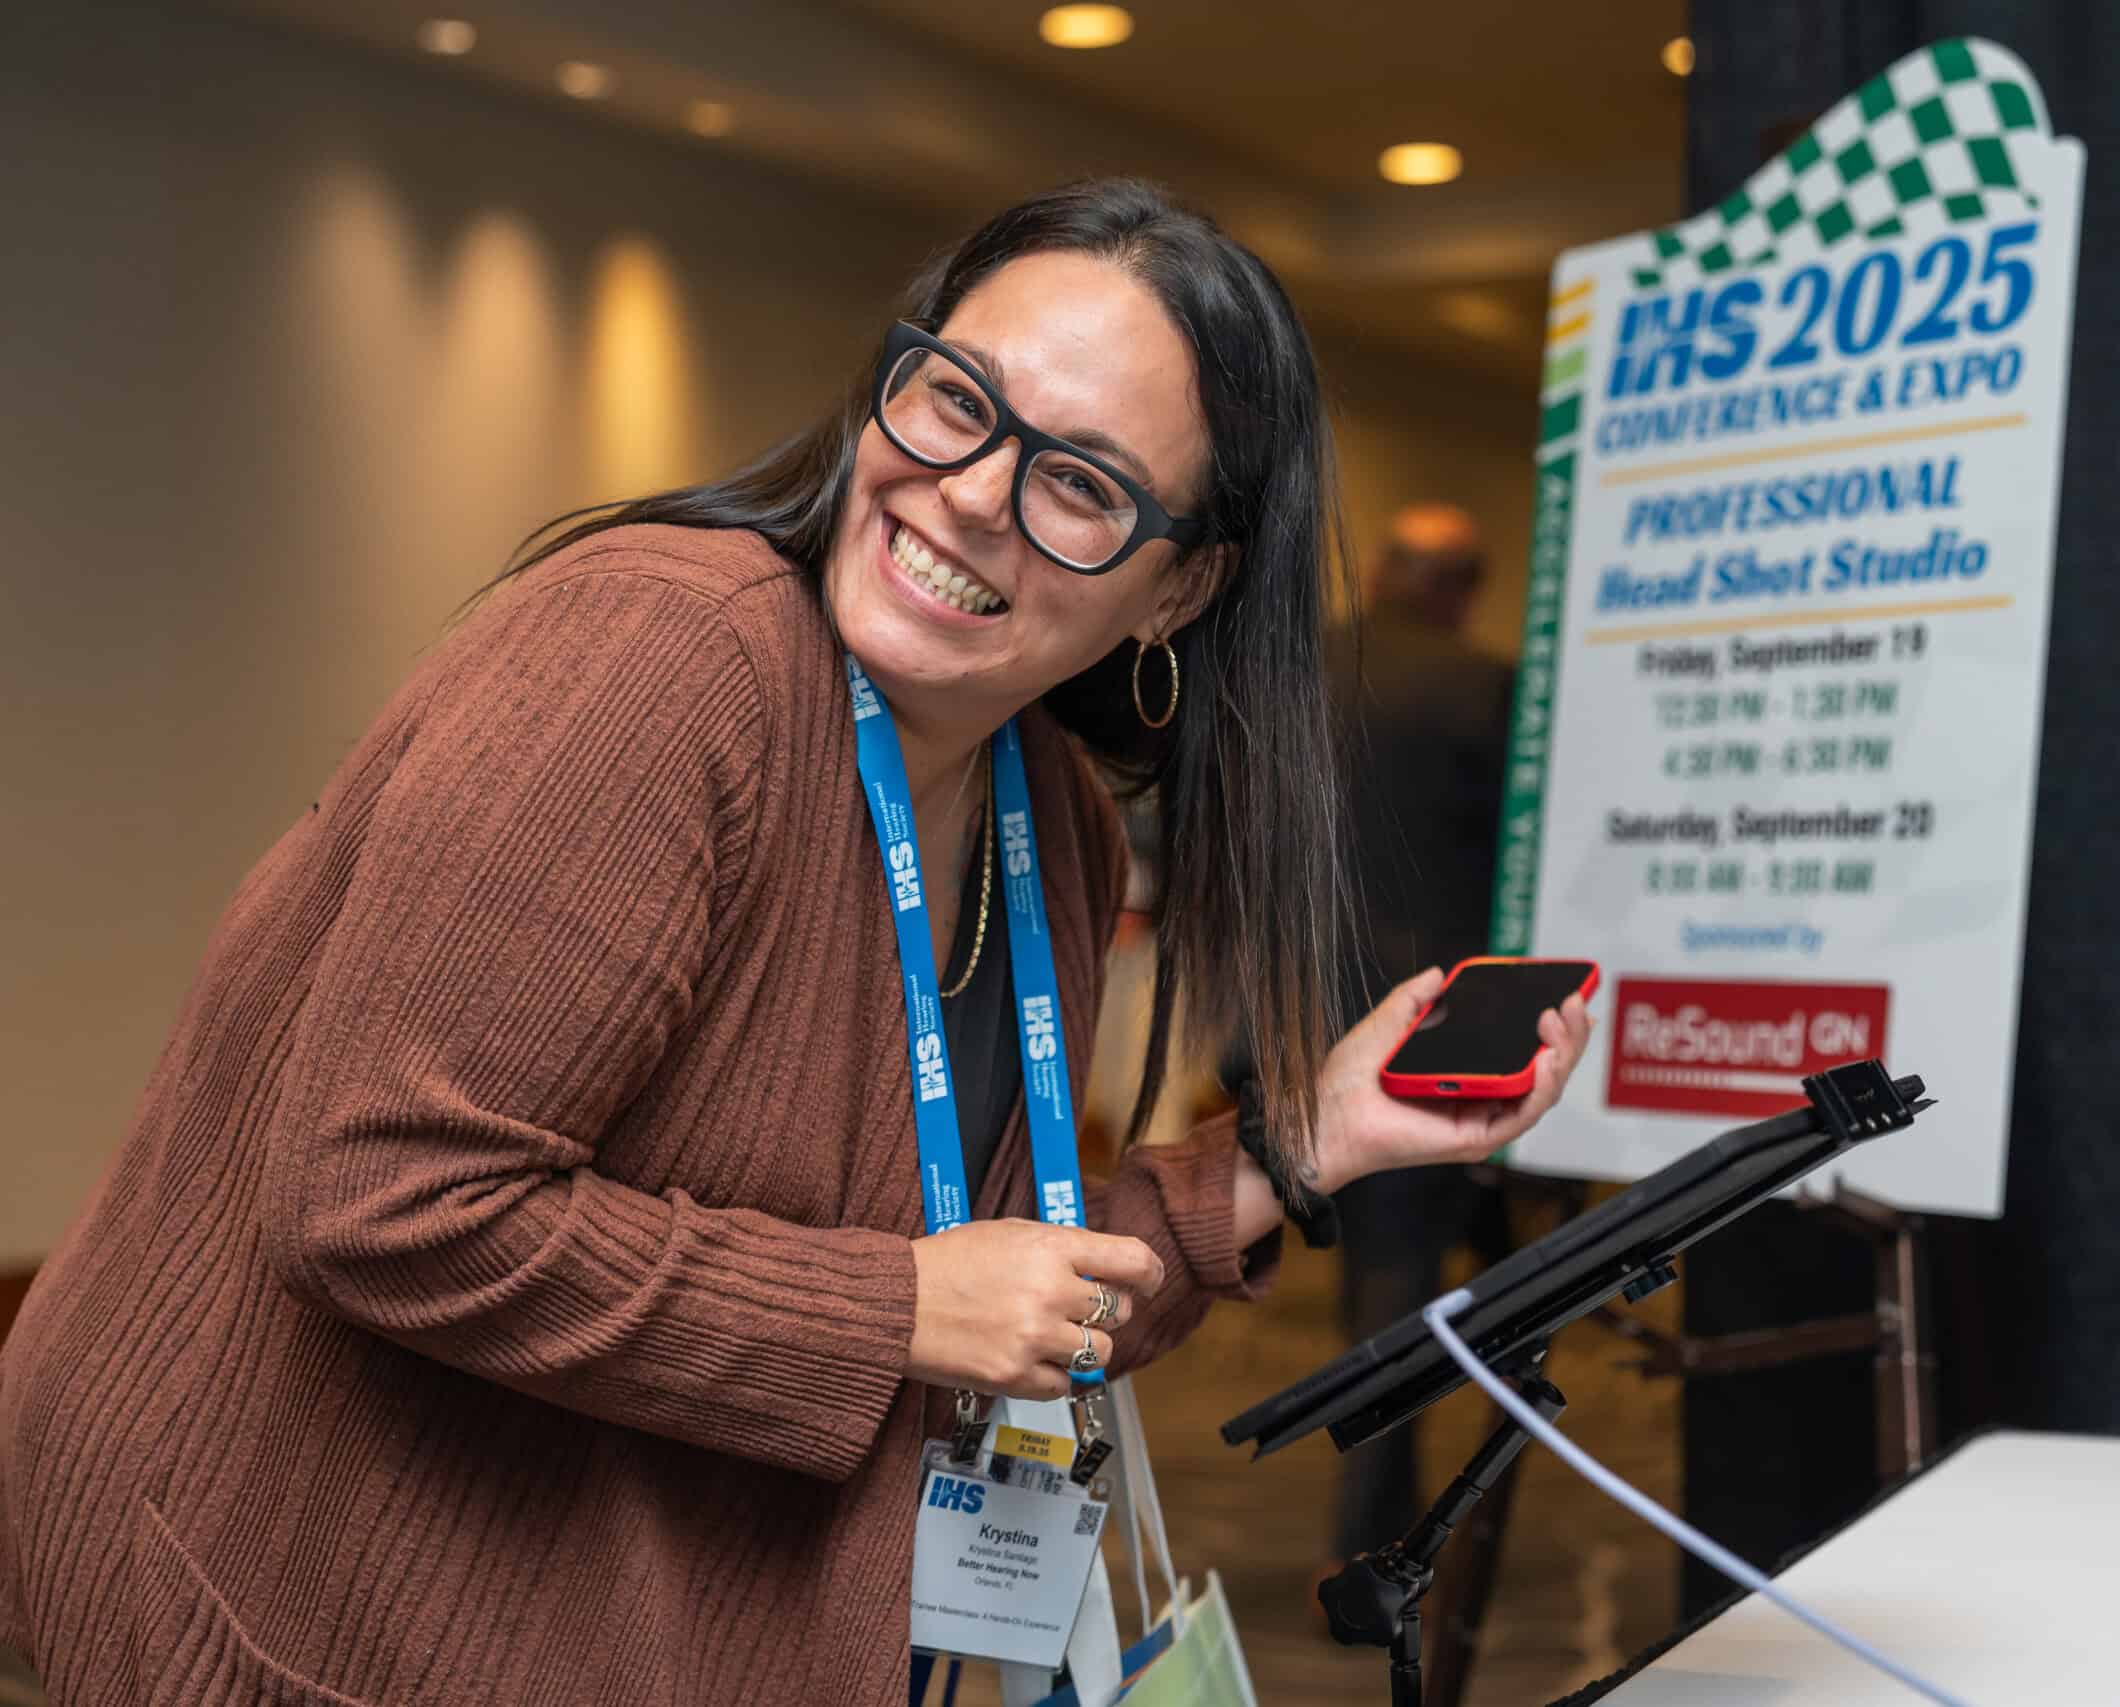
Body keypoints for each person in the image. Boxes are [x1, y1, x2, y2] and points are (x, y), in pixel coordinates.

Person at [0, 179, 1590, 1707]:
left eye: (1084, 484)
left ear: (1179, 590)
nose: (972, 490)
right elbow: (384, 1192)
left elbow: (997, 1275)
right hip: (336, 1613)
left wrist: (1314, 1134)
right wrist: (896, 1308)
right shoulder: (666, 658)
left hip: (670, 1613)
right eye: (960, 400)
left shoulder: (1052, 808)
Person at [1323, 503, 1522, 1563]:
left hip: (1292, 1008)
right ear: (1463, 585)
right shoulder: (1483, 689)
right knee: (1400, 1280)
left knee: (1362, 1270)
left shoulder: (1299, 665)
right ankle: (1373, 1536)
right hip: (1427, 1019)